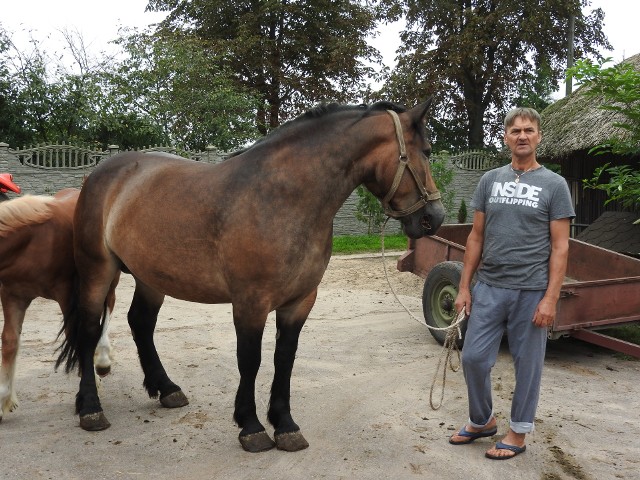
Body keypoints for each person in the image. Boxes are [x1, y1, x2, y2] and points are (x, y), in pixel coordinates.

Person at [448, 107, 575, 460]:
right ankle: (481, 420)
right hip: (489, 286)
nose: (522, 135)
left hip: (531, 290)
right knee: (473, 357)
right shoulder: (490, 180)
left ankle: (518, 432)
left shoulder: (554, 185)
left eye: (529, 130)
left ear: (538, 137)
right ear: (506, 137)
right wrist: (464, 286)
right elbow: (475, 236)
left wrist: (550, 298)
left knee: (528, 366)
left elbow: (561, 247)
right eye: (515, 130)